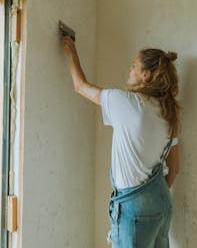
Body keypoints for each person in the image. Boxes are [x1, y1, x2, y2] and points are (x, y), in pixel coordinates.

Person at [62, 36, 181, 248]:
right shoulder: (168, 113)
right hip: (162, 201)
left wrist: (71, 52)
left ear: (146, 74)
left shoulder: (126, 103)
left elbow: (80, 86)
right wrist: (152, 199)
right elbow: (174, 168)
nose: (129, 69)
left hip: (134, 207)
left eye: (133, 66)